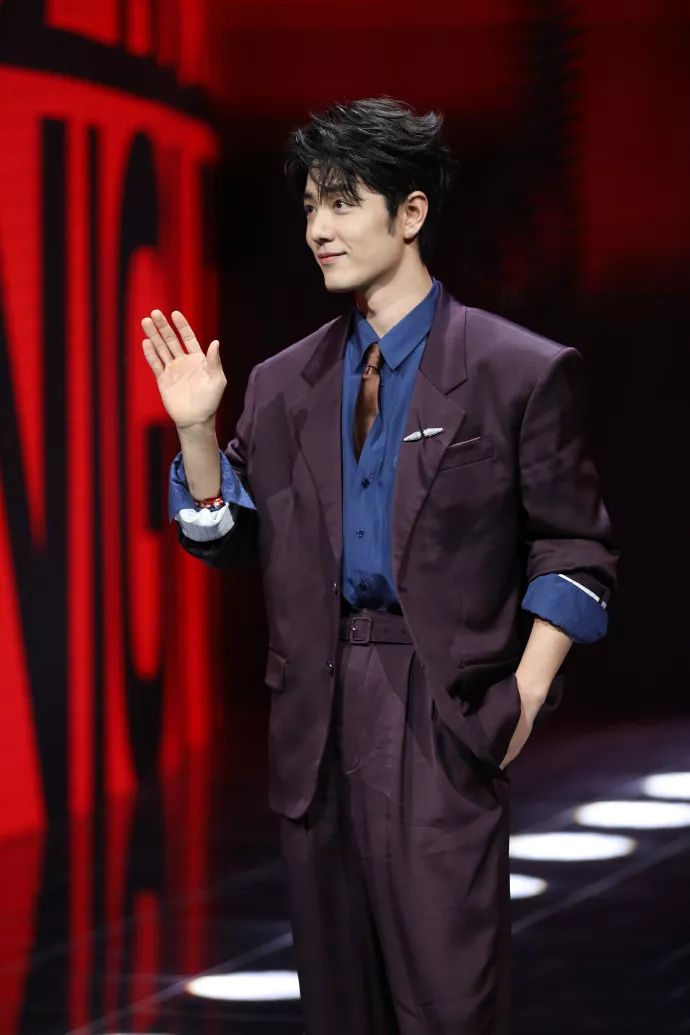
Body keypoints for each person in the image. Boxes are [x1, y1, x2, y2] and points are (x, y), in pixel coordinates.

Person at [141, 98, 618, 1035]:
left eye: (342, 203)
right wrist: (197, 431)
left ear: (411, 214)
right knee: (339, 1005)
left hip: (441, 707)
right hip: (316, 717)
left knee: (449, 1002)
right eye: (309, 208)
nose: (317, 229)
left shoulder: (515, 370)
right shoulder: (282, 383)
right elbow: (227, 535)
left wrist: (524, 694)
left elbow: (576, 543)